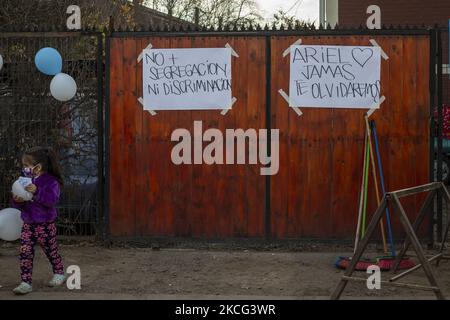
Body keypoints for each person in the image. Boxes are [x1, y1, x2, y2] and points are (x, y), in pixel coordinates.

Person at [11, 146, 65, 295]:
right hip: (28, 223)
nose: (24, 168)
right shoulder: (25, 180)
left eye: (27, 165)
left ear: (38, 166)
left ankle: (59, 272)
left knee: (51, 250)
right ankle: (25, 282)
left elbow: (51, 201)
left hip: (46, 224)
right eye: (24, 166)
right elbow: (19, 201)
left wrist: (36, 191)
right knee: (25, 252)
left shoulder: (51, 181)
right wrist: (17, 200)